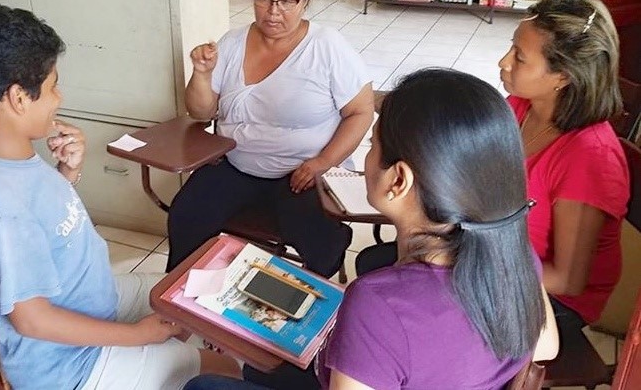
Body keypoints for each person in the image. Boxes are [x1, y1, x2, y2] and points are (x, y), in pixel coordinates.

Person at [184, 69, 558, 390]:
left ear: (398, 180)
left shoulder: (379, 304)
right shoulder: (514, 254)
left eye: (372, 145)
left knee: (202, 385)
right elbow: (545, 347)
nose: (367, 157)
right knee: (262, 363)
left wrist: (366, 334)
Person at [0, 5, 240, 390]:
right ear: (18, 98)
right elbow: (31, 319)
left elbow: (36, 229)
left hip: (97, 296)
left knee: (191, 294)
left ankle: (166, 357)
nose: (58, 97)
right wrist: (138, 335)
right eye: (52, 86)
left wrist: (66, 174)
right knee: (225, 372)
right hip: (69, 367)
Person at [166, 0, 373, 278]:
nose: (273, 12)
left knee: (317, 236)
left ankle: (311, 307)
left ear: (306, 0)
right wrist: (202, 74)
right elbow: (201, 112)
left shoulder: (326, 46)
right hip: (235, 164)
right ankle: (179, 303)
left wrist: (323, 162)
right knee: (187, 213)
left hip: (300, 173)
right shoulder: (232, 42)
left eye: (287, 1)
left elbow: (361, 112)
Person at [498, 0, 629, 333]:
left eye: (520, 58)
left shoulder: (589, 157)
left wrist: (475, 265)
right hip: (502, 258)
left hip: (553, 300)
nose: (504, 62)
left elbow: (567, 280)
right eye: (511, 47)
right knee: (382, 269)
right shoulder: (519, 106)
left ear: (563, 77)